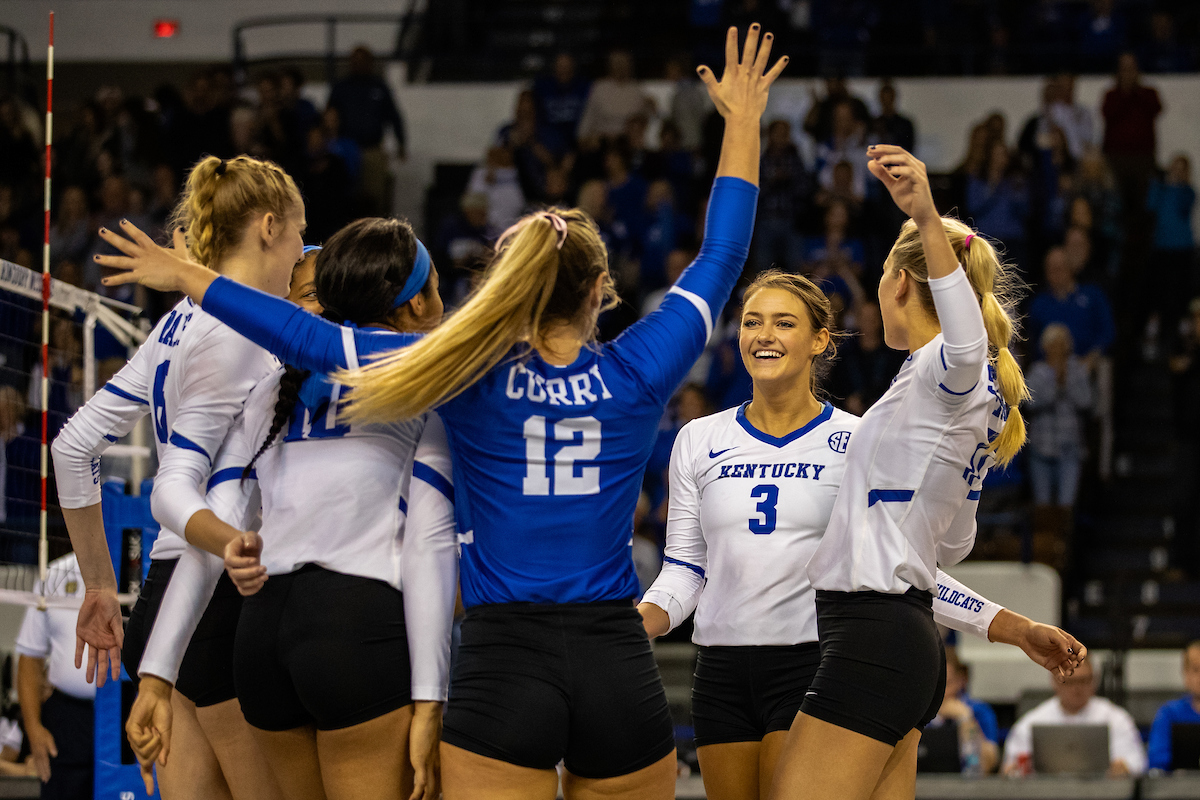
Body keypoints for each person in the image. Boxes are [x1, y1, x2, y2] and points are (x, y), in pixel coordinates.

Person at [98, 26, 787, 800]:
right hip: (614, 662)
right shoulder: (640, 369)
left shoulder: (464, 372)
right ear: (601, 291)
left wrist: (191, 274)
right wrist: (741, 119)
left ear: (510, 287)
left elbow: (314, 337)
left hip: (503, 664)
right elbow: (723, 255)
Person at [638, 270, 1083, 800]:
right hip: (719, 669)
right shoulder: (697, 438)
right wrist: (634, 625)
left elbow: (902, 570)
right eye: (752, 322)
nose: (764, 335)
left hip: (814, 660)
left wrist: (1005, 625)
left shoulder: (858, 439)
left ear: (820, 340)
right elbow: (686, 570)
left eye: (784, 323)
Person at [766, 143, 1081, 800]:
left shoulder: (946, 369)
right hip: (902, 641)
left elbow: (964, 343)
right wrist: (1014, 626)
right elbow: (919, 571)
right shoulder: (962, 396)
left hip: (873, 641)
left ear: (897, 281)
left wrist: (927, 218)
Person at [127, 220, 456, 800]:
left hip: (261, 637)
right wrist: (432, 697)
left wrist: (157, 675)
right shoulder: (431, 386)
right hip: (357, 626)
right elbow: (430, 546)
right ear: (414, 303)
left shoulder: (272, 390)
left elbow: (211, 542)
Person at [56, 154, 301, 800]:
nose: (305, 256)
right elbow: (182, 486)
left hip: (163, 594)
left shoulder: (178, 322)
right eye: (301, 235)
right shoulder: (242, 326)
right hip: (217, 596)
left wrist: (101, 585)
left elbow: (71, 446)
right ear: (270, 227)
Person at [17, 554, 95, 799]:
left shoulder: (146, 561)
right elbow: (29, 656)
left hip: (129, 711)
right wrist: (33, 728)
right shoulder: (55, 573)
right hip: (69, 719)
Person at [1002, 659, 1146, 777]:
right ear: (1055, 681)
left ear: (1094, 680)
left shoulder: (1117, 720)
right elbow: (1012, 769)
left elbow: (1136, 765)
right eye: (1070, 681)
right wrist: (1014, 772)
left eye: (1083, 681)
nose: (1077, 689)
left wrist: (1123, 769)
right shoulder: (1031, 723)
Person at [326, 46, 406, 216]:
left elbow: (393, 115)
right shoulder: (341, 87)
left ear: (370, 63)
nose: (358, 64)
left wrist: (401, 143)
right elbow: (330, 116)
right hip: (346, 149)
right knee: (346, 194)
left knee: (375, 196)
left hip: (372, 148)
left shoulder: (379, 86)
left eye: (363, 61)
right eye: (355, 61)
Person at [1027, 246, 1115, 368]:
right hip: (1050, 365)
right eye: (1051, 270)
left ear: (1070, 268)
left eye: (1059, 269)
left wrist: (1091, 357)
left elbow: (1107, 332)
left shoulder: (1092, 295)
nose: (1056, 274)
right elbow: (1034, 343)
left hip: (1088, 361)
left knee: (1104, 365)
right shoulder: (1039, 304)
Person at [932, 650, 998, 774]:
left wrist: (966, 719)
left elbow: (988, 765)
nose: (942, 692)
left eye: (948, 683)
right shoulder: (919, 714)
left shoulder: (980, 711)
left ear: (960, 681)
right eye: (936, 684)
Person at [1148, 641, 1200, 771]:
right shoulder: (1169, 714)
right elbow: (1156, 759)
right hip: (1179, 787)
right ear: (1185, 674)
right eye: (1196, 669)